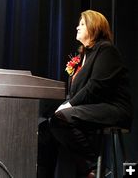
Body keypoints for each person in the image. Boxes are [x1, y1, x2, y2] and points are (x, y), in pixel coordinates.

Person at [37, 10, 132, 178]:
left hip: (113, 108)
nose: (77, 27)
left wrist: (68, 106)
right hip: (90, 107)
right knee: (45, 127)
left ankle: (96, 170)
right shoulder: (83, 57)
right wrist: (65, 105)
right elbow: (76, 92)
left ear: (94, 26)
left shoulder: (106, 50)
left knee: (61, 118)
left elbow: (96, 86)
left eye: (82, 24)